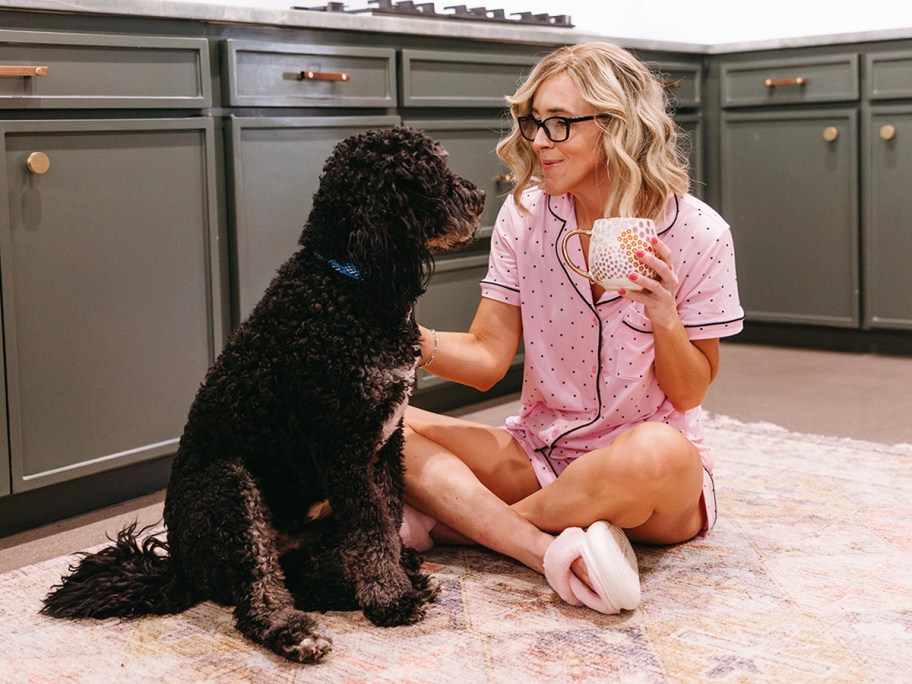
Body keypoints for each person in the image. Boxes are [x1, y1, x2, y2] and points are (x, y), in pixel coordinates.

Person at [400, 42, 744, 614]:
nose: (538, 141)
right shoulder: (527, 215)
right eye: (534, 122)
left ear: (617, 126)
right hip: (542, 455)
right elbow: (488, 358)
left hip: (649, 482)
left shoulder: (700, 233)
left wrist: (663, 312)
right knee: (379, 420)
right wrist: (406, 340)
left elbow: (688, 391)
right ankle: (538, 547)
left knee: (657, 450)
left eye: (559, 124)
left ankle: (466, 527)